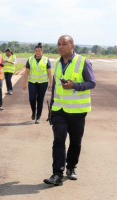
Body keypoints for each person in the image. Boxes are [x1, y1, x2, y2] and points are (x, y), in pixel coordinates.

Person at [43, 35, 96, 186]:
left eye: (64, 44)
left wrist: (75, 86)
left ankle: (71, 167)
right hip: (59, 110)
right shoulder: (57, 64)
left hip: (77, 111)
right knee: (58, 140)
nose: (60, 47)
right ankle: (57, 173)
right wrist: (51, 109)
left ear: (72, 46)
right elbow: (55, 88)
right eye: (58, 44)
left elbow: (91, 83)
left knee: (75, 142)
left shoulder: (83, 62)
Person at [22, 42, 52, 124]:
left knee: (40, 100)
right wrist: (24, 83)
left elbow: (49, 72)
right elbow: (26, 72)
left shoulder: (46, 60)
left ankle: (38, 116)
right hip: (32, 82)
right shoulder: (30, 59)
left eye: (39, 51)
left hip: (43, 83)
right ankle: (33, 111)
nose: (37, 52)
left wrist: (50, 83)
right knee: (32, 99)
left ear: (42, 51)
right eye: (36, 51)